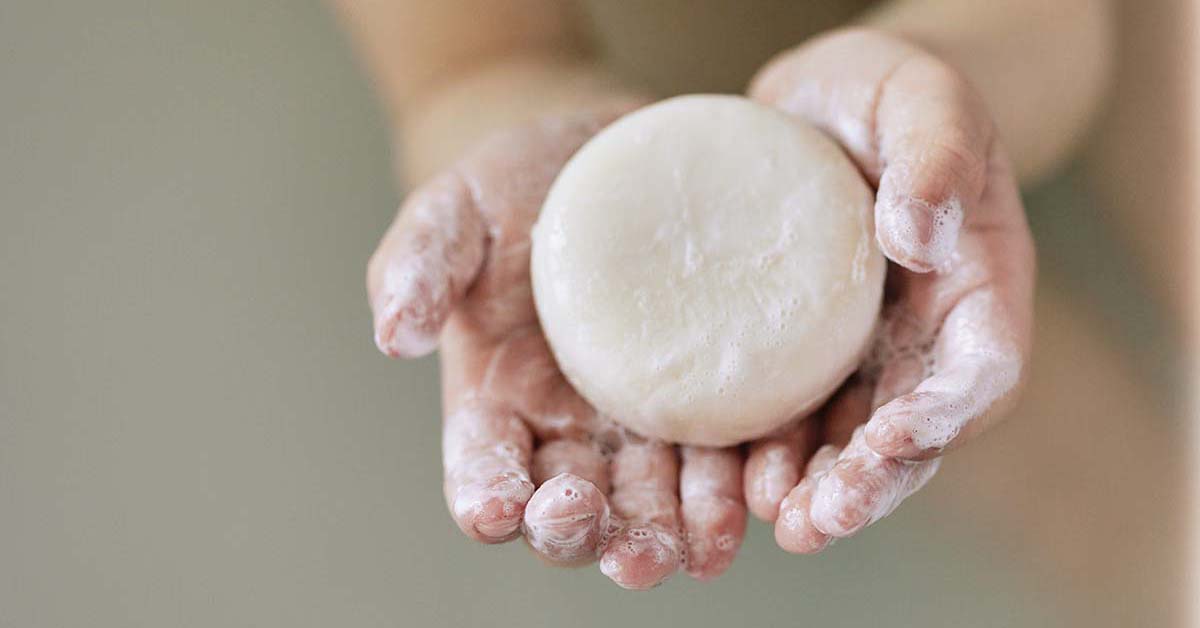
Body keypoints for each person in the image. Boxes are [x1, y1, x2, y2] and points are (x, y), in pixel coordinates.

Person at [330, 0, 1114, 590]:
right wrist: (512, 135)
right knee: (998, 449)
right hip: (860, 226)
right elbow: (469, 65)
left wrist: (939, 75)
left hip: (938, 140)